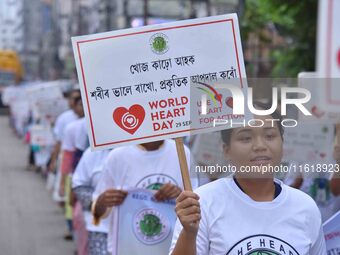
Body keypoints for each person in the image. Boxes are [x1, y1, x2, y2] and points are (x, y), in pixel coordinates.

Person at [170, 103, 326, 255]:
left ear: (282, 143)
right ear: (226, 150)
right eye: (246, 138)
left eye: (270, 136)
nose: (259, 145)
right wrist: (189, 233)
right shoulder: (202, 203)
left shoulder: (306, 208)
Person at [92, 139, 197, 254]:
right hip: (126, 248)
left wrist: (180, 195)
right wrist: (102, 201)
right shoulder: (117, 156)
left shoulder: (182, 153)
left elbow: (195, 206)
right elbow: (98, 211)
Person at [72, 148, 111, 255]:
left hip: (137, 233)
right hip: (101, 229)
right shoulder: (93, 153)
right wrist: (97, 203)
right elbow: (79, 184)